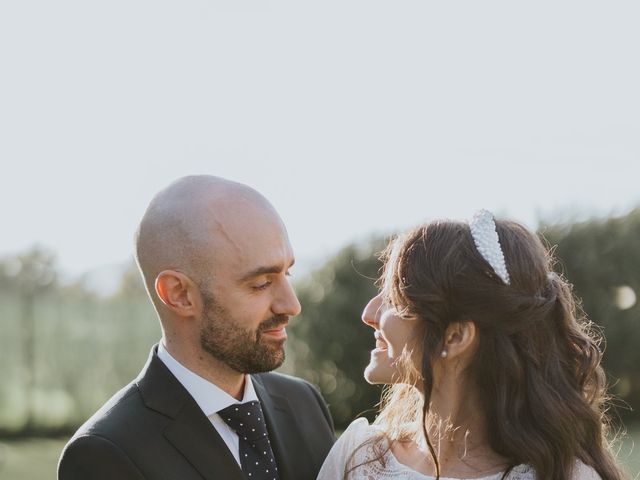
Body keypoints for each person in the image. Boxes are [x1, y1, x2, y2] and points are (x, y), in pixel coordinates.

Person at [58, 175, 335, 480]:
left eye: (288, 274)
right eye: (262, 283)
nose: (291, 305)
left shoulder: (304, 403)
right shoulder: (105, 453)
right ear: (179, 294)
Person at [318, 210, 625, 480]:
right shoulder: (358, 459)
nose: (369, 314)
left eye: (395, 299)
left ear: (455, 337)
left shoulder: (564, 476)